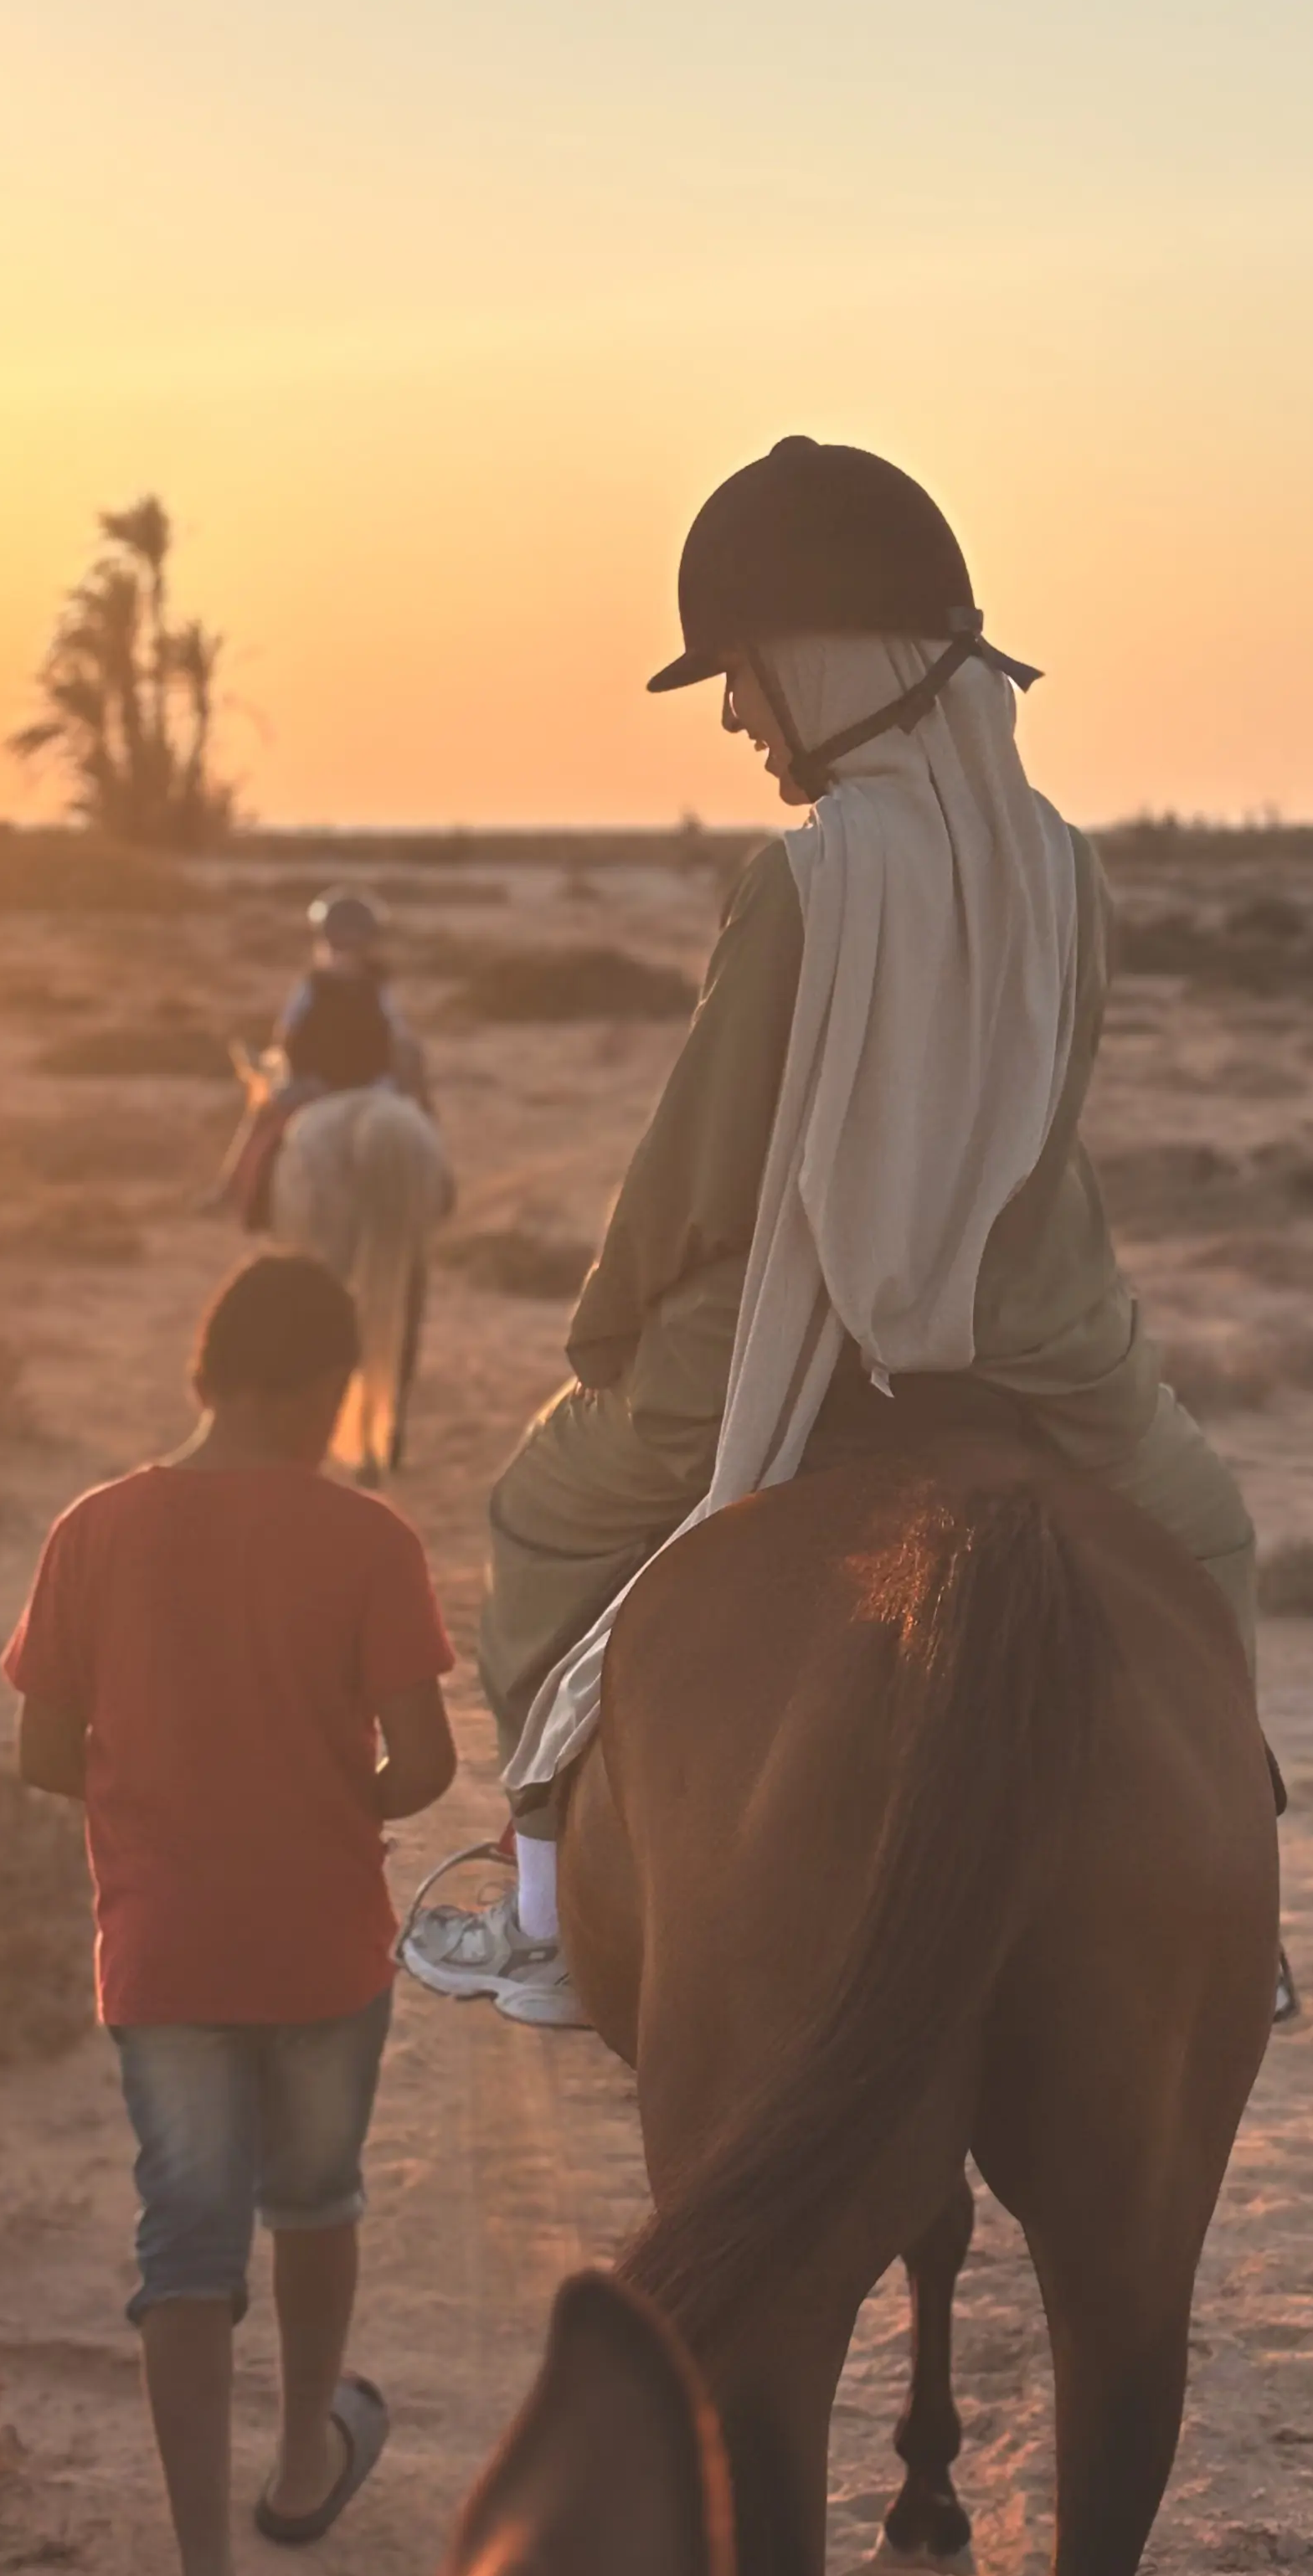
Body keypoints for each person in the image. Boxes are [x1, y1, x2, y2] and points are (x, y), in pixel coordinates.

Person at [439, 436, 1258, 2029]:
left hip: (783, 1322)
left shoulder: (805, 880)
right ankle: (1239, 1917)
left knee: (542, 1514)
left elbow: (704, 1159)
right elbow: (1050, 1101)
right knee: (1203, 1534)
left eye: (744, 676)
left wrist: (614, 1323)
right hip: (1036, 1326)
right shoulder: (1064, 869)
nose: (740, 715)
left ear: (826, 662)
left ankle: (540, 1910)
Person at [3, 1251, 459, 2576]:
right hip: (323, 1937)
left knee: (183, 2248)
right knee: (314, 2194)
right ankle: (307, 2462)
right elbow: (429, 1763)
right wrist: (333, 1792)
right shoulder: (369, 1539)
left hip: (164, 1945)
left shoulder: (90, 1529)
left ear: (207, 1371)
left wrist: (170, 1802)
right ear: (322, 1385)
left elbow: (41, 1753)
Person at [218, 891, 436, 1231]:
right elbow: (399, 1041)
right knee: (420, 1122)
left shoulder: (312, 987)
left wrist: (297, 1071)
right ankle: (436, 1184)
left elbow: (286, 1035)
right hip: (376, 1085)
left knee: (264, 1122)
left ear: (324, 940)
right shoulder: (378, 988)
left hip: (315, 1086)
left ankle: (235, 1190)